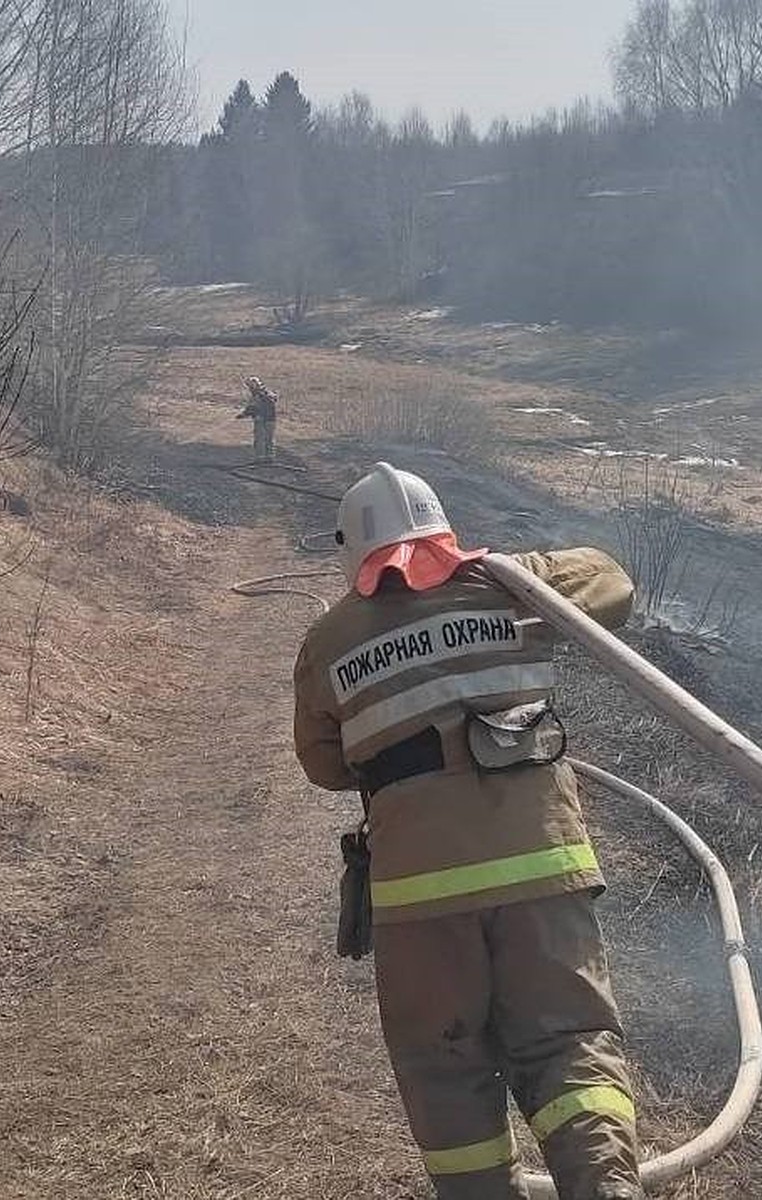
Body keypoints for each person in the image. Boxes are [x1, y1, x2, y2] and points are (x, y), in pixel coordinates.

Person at [292, 462, 645, 1200]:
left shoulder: (328, 641)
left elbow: (324, 764)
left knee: (441, 1061)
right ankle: (608, 1189)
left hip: (420, 892)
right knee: (569, 1044)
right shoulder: (516, 587)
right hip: (543, 865)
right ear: (444, 529)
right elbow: (612, 582)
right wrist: (507, 572)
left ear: (351, 548)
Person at [236, 375, 278, 462]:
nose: (249, 388)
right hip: (271, 419)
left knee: (260, 439)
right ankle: (270, 457)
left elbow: (253, 408)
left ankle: (260, 458)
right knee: (269, 439)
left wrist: (244, 414)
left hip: (262, 419)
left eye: (250, 386)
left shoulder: (258, 395)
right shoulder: (267, 393)